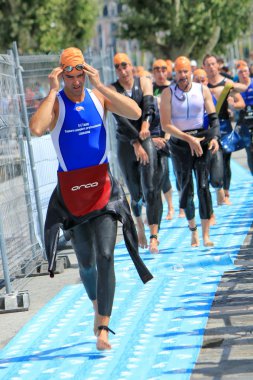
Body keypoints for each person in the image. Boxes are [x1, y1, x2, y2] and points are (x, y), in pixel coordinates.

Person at [29, 47, 153, 351]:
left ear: (86, 72)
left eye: (79, 74)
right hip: (72, 195)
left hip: (103, 191)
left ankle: (103, 327)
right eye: (69, 75)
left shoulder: (99, 97)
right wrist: (51, 90)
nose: (75, 81)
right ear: (62, 74)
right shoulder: (56, 103)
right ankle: (97, 305)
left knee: (106, 256)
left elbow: (136, 113)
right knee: (85, 263)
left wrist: (100, 85)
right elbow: (36, 128)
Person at [160, 56, 220, 247]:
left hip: (201, 142)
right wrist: (188, 139)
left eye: (186, 71)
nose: (183, 75)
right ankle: (193, 231)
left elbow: (213, 117)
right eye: (179, 72)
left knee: (203, 187)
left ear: (191, 72)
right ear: (175, 74)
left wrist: (214, 138)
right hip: (180, 145)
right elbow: (166, 125)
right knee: (186, 189)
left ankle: (206, 235)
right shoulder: (168, 93)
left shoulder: (202, 90)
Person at [110, 53, 161, 254]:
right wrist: (135, 142)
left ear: (132, 66)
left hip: (145, 135)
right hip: (125, 142)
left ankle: (154, 236)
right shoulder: (113, 89)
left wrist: (145, 127)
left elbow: (149, 106)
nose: (123, 71)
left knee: (150, 188)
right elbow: (120, 119)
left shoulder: (144, 81)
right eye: (118, 67)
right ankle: (139, 224)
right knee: (136, 192)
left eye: (125, 66)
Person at [203, 54, 247, 205]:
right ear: (204, 67)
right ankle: (216, 188)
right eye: (208, 64)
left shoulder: (226, 82)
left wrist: (233, 105)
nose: (211, 66)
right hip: (207, 126)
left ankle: (226, 193)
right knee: (211, 159)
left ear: (218, 65)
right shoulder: (202, 84)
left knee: (226, 160)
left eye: (213, 63)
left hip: (224, 124)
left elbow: (241, 100)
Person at [152, 59, 184, 219]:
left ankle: (183, 205)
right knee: (163, 172)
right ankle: (170, 206)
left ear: (168, 71)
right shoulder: (150, 89)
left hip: (175, 133)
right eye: (156, 69)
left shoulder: (174, 87)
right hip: (158, 135)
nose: (160, 72)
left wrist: (169, 134)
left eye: (163, 69)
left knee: (180, 172)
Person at [237, 61, 253, 174]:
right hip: (244, 124)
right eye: (240, 72)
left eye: (245, 71)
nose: (243, 74)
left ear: (249, 71)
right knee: (250, 153)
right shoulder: (235, 87)